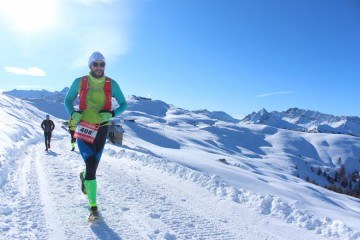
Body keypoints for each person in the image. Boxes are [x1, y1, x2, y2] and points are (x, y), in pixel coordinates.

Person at [64, 51, 127, 221]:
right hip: (84, 126)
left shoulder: (112, 84)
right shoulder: (79, 81)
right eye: (95, 64)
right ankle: (93, 207)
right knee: (91, 164)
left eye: (102, 64)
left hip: (102, 128)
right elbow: (67, 100)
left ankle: (85, 177)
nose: (99, 67)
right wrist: (73, 114)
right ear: (90, 66)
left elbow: (124, 104)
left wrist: (112, 114)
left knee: (93, 167)